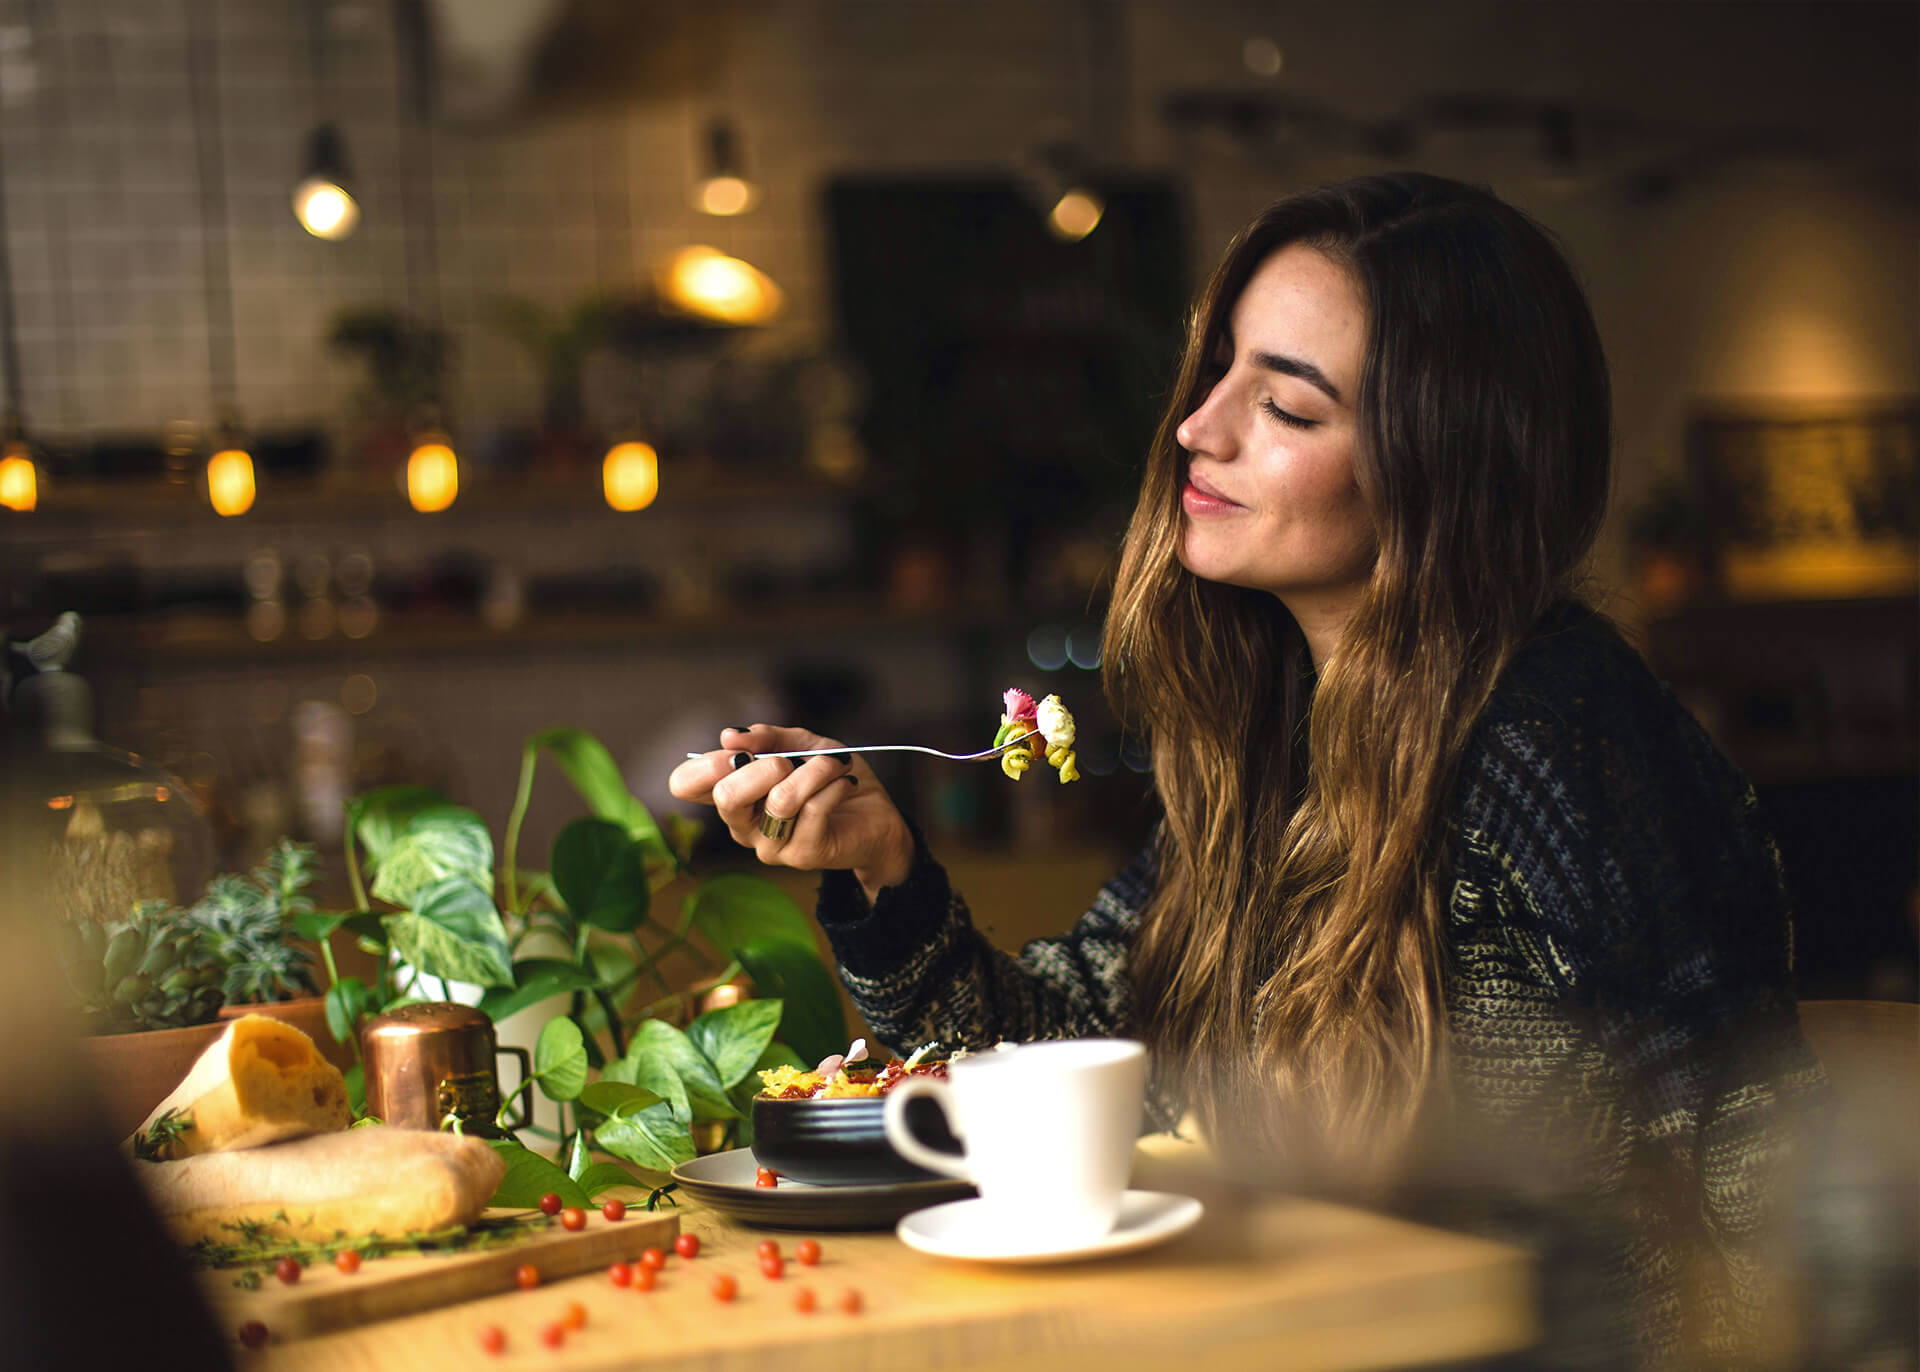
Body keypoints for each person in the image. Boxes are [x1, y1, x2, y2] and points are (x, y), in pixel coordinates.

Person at [669, 173, 1825, 1366]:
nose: (1196, 426)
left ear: (1443, 468)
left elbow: (1756, 1165)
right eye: (1219, 368)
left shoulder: (1557, 737)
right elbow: (1076, 1063)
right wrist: (884, 865)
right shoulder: (1284, 743)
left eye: (1286, 406)